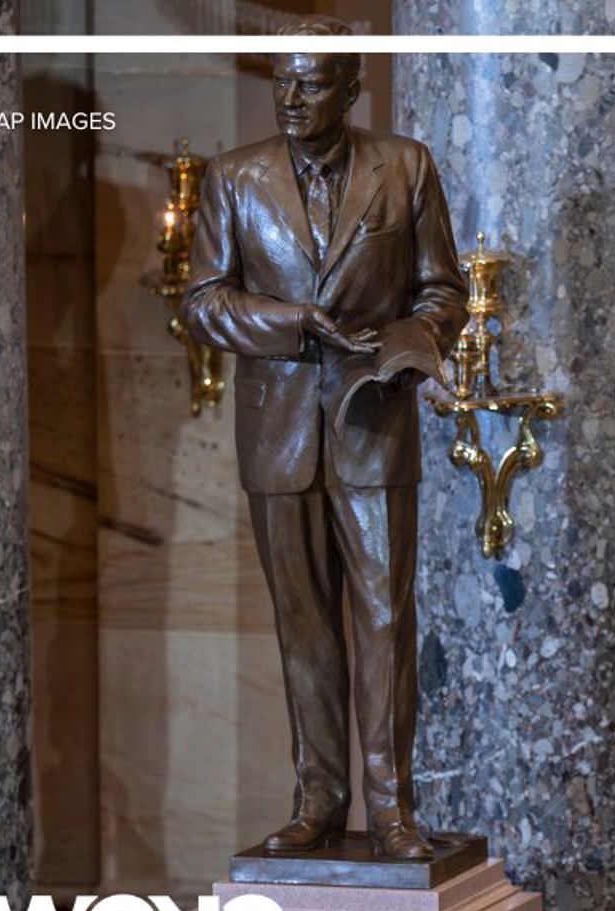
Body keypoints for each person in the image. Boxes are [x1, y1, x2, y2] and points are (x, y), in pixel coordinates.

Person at [181, 16, 466, 861]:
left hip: (374, 425)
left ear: (351, 87)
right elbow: (202, 302)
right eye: (282, 80)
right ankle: (317, 801)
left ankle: (391, 812)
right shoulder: (235, 179)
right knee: (302, 624)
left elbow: (441, 292)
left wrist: (409, 347)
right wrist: (293, 321)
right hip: (278, 436)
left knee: (384, 621)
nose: (291, 97)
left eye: (311, 82)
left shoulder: (405, 166)